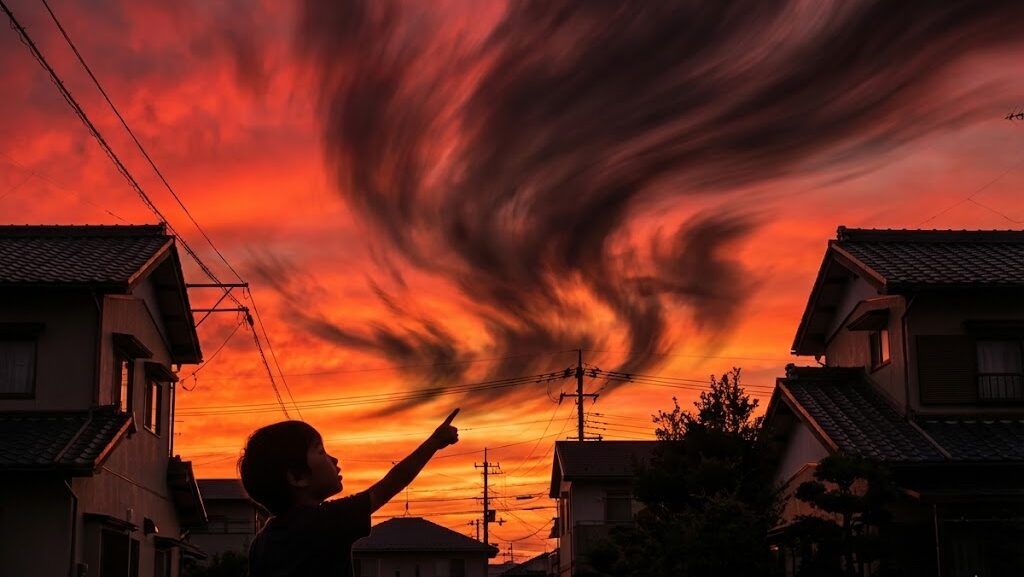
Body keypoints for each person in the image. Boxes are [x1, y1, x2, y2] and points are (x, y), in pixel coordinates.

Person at [238, 408, 461, 577]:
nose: (334, 459)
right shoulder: (326, 521)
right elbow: (391, 484)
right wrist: (434, 442)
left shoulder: (261, 544)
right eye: (321, 452)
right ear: (298, 477)